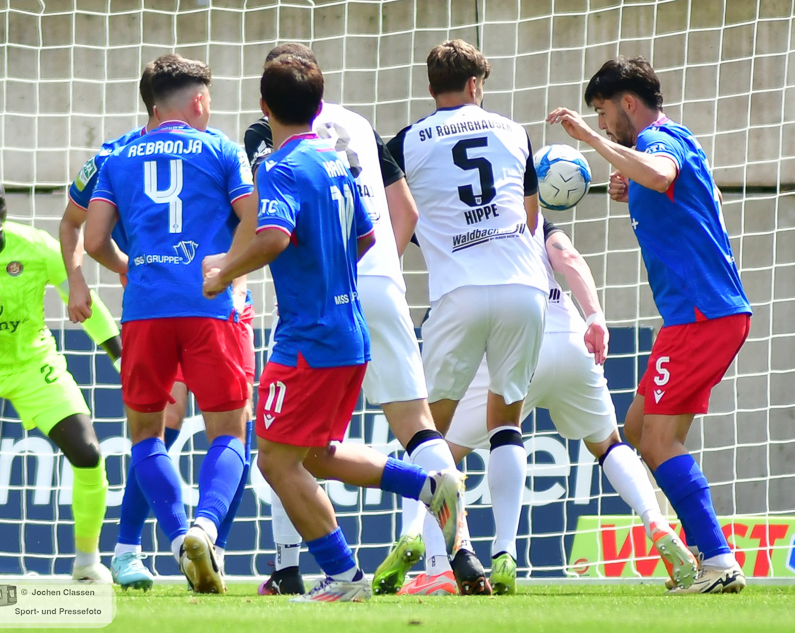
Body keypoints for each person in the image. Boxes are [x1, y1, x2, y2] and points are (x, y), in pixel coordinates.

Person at [203, 53, 466, 603]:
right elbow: (368, 238)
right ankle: (427, 485)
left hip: (309, 339)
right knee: (317, 453)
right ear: (319, 104)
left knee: (275, 459)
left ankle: (343, 576)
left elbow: (273, 237)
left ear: (263, 105)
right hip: (351, 331)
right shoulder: (335, 161)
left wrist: (224, 271)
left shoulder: (279, 166)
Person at [391, 219, 698, 595]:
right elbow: (569, 258)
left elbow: (408, 223)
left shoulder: (456, 216)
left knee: (434, 449)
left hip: (512, 332)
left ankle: (441, 564)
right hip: (568, 335)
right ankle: (656, 522)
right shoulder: (532, 222)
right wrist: (595, 317)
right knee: (608, 444)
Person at [548, 55, 751, 594]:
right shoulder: (676, 141)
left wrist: (594, 140)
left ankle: (718, 560)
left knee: (658, 441)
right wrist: (632, 187)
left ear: (627, 104)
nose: (603, 121)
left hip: (700, 314)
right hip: (702, 314)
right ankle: (708, 555)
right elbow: (690, 194)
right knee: (639, 430)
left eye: (604, 111)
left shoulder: (659, 140)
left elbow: (661, 174)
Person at [84, 54, 254, 594]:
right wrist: (227, 269)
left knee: (146, 435)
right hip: (210, 305)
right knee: (230, 431)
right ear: (199, 101)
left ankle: (179, 539)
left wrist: (130, 266)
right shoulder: (222, 149)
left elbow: (93, 240)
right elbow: (255, 219)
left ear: (153, 106)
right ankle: (206, 528)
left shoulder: (118, 156)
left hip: (144, 311)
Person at [385, 39, 549, 594]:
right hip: (524, 285)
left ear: (432, 87)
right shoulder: (514, 131)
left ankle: (436, 565)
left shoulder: (406, 141)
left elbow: (396, 217)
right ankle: (505, 553)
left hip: (458, 290)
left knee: (429, 430)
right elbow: (532, 218)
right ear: (476, 84)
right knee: (507, 421)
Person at [0, 172, 121, 584]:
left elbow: (86, 304)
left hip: (31, 366)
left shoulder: (35, 246)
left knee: (88, 455)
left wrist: (124, 361)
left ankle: (87, 562)